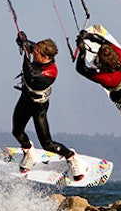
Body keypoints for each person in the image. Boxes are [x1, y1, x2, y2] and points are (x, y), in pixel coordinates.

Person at [12, 32, 83, 181]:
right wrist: (23, 41)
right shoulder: (40, 54)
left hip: (39, 107)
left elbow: (30, 74)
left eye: (36, 53)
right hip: (25, 100)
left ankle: (70, 156)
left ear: (45, 57)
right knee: (17, 132)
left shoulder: (50, 72)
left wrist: (25, 53)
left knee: (47, 144)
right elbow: (29, 46)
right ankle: (29, 152)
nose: (34, 52)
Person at [75, 29, 121, 116]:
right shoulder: (120, 54)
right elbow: (103, 41)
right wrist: (88, 36)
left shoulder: (106, 78)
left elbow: (81, 69)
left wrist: (82, 52)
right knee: (120, 59)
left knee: (115, 98)